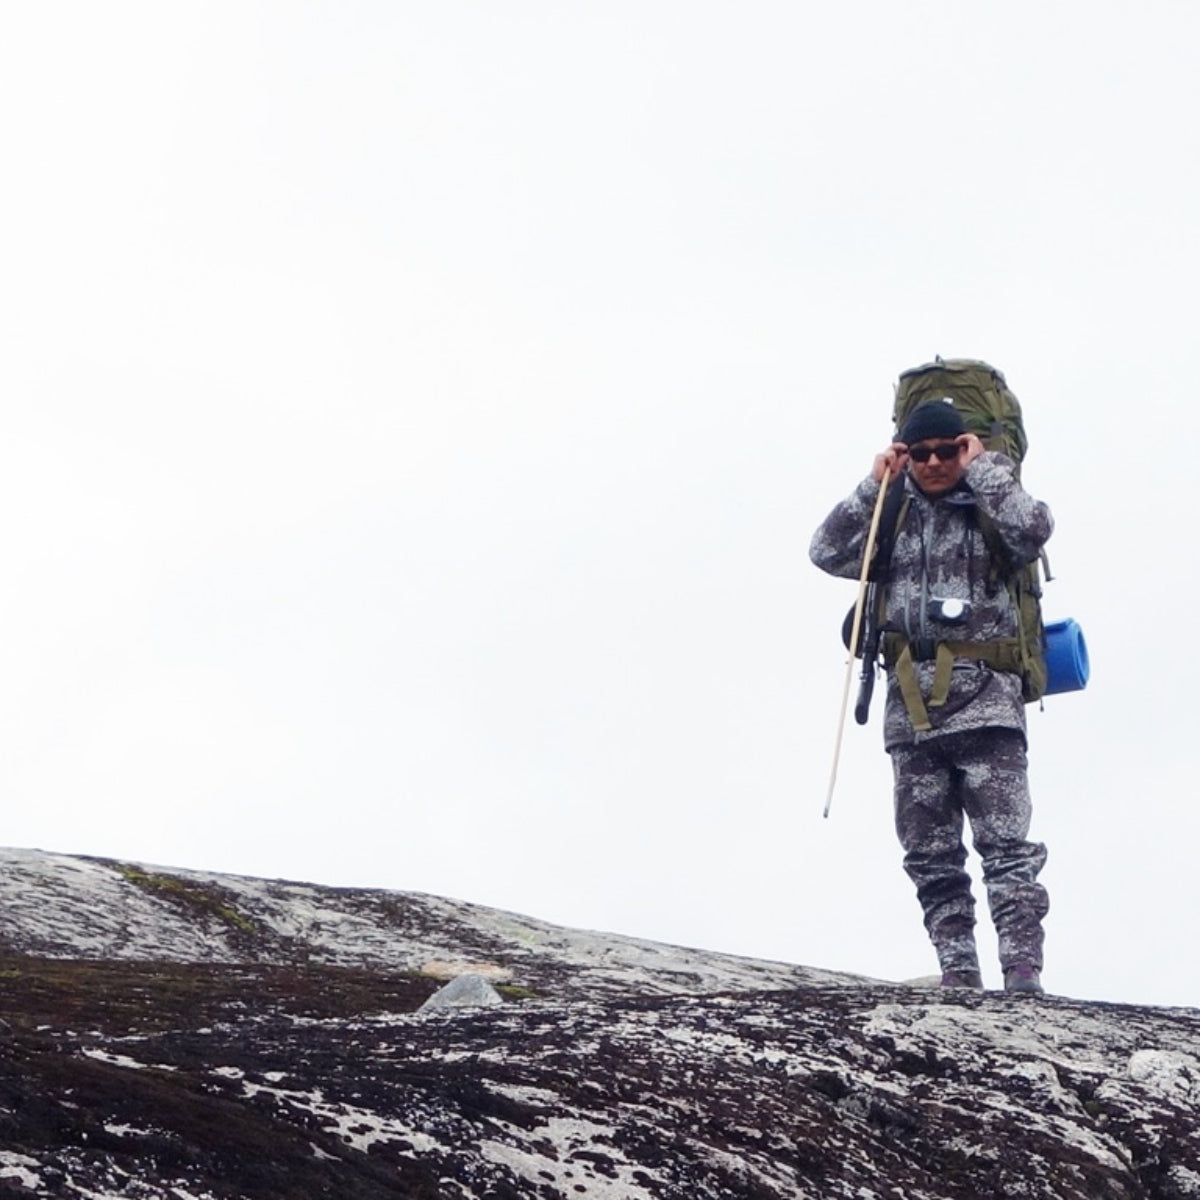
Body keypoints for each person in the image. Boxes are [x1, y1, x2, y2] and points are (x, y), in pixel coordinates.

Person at [810, 398, 1053, 993]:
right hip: (911, 714)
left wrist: (985, 469)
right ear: (906, 454)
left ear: (964, 445)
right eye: (922, 453)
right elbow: (826, 550)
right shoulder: (890, 514)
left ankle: (1023, 973)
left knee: (1007, 849)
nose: (935, 462)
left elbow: (1034, 530)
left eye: (947, 450)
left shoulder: (988, 502)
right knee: (931, 855)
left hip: (987, 705)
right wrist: (874, 485)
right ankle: (958, 971)